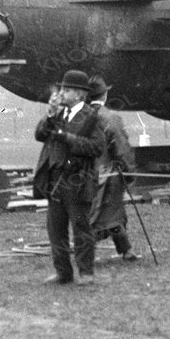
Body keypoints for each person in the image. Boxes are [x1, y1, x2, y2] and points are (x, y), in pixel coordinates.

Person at [33, 70, 107, 286]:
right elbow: (40, 135)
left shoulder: (92, 118)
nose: (61, 93)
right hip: (55, 179)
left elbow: (97, 147)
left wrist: (68, 138)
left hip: (78, 179)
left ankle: (86, 273)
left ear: (79, 94)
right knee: (55, 229)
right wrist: (49, 114)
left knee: (81, 227)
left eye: (66, 90)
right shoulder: (58, 114)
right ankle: (63, 272)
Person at [86, 75, 140, 261]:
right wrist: (128, 171)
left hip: (83, 174)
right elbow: (121, 146)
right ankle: (85, 254)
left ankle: (126, 249)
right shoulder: (110, 117)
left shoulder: (78, 116)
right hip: (107, 174)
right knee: (103, 214)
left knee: (106, 212)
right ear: (105, 95)